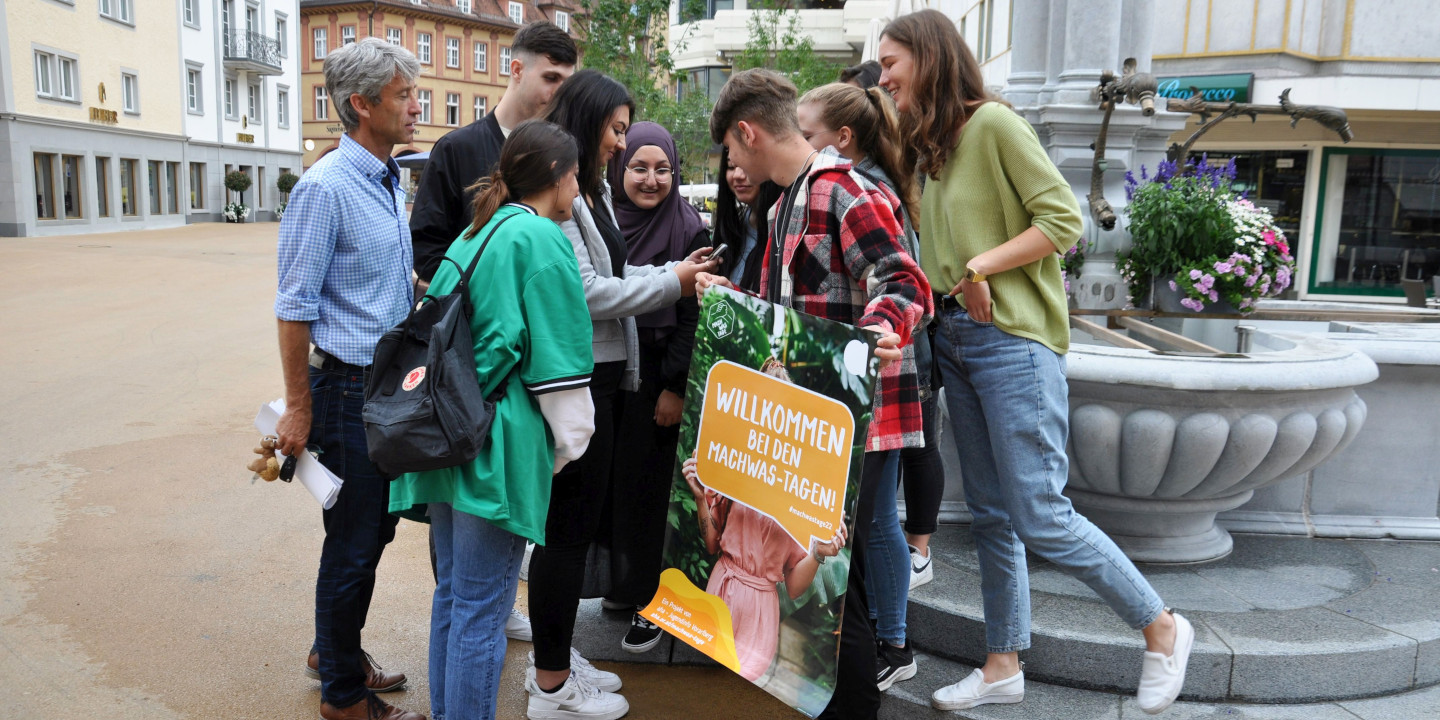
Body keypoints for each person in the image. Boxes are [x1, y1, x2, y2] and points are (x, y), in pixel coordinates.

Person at [878, 10, 1194, 714]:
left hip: (1012, 340)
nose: (884, 76)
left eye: (892, 60)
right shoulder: (936, 148)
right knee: (990, 514)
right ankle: (1002, 664)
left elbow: (1064, 221)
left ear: (929, 58)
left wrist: (983, 265)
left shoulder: (993, 125)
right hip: (959, 340)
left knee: (1040, 513)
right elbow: (935, 261)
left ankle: (1162, 627)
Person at [696, 68, 932, 720]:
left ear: (747, 133)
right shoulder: (789, 202)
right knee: (840, 599)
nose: (734, 166)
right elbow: (789, 317)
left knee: (844, 601)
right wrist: (734, 304)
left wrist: (883, 328)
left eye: (733, 151)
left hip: (849, 427)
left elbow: (906, 283)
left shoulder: (841, 193)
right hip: (817, 426)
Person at [387, 120, 597, 720]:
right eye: (576, 175)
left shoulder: (475, 232)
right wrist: (564, 449)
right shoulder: (539, 237)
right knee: (482, 609)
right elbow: (560, 361)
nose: (579, 188)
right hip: (497, 441)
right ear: (556, 177)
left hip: (447, 432)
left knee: (454, 600)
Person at [527, 70, 718, 720]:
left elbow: (614, 271)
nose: (619, 142)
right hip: (582, 380)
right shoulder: (565, 195)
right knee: (564, 533)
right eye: (615, 129)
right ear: (588, 121)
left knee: (574, 530)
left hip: (607, 379)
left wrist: (673, 274)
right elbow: (586, 291)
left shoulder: (588, 192)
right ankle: (550, 684)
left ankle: (554, 664)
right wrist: (674, 284)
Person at [273, 38, 425, 720]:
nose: (416, 105)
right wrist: (299, 410)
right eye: (403, 96)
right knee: (356, 542)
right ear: (362, 106)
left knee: (374, 532)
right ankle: (342, 695)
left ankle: (330, 653)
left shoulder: (388, 177)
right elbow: (294, 308)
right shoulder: (325, 189)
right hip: (346, 391)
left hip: (386, 385)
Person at [796, 81, 940, 693]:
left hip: (876, 384)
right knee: (879, 517)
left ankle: (893, 640)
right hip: (876, 381)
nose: (799, 145)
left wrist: (876, 331)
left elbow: (904, 283)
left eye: (806, 133)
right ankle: (891, 637)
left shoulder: (854, 190)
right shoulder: (862, 183)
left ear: (841, 138)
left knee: (878, 519)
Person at [601, 122, 712, 654]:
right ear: (619, 170)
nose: (651, 180)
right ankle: (625, 584)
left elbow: (693, 316)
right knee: (614, 485)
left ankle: (653, 598)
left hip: (657, 379)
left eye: (662, 169)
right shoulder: (602, 222)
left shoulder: (689, 229)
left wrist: (673, 387)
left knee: (649, 490)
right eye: (639, 168)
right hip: (609, 374)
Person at [679, 359, 848, 682]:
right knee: (704, 684)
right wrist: (702, 498)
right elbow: (712, 544)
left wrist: (817, 552)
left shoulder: (804, 487)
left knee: (745, 694)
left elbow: (795, 587)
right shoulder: (732, 461)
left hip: (761, 610)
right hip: (722, 589)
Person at [409, 21, 578, 284]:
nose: (560, 92)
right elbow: (425, 249)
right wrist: (485, 296)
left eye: (567, 83)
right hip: (479, 319)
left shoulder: (566, 150)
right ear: (517, 70)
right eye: (551, 78)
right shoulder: (456, 148)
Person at [711, 145, 782, 294]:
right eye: (731, 166)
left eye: (745, 165)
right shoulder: (732, 230)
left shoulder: (784, 234)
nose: (737, 175)